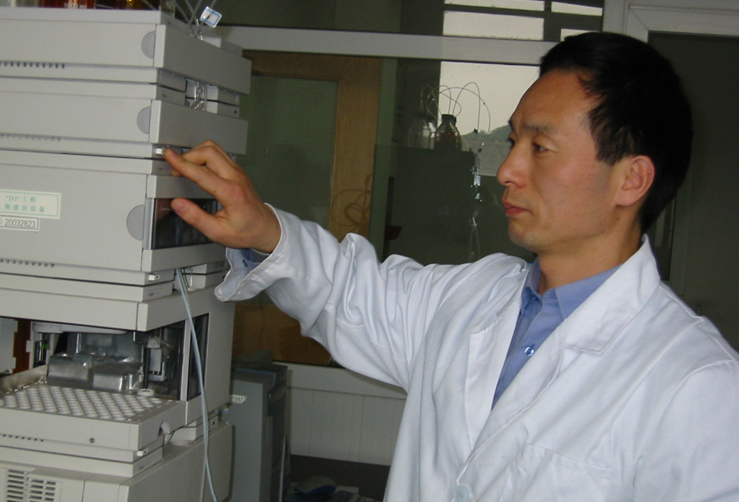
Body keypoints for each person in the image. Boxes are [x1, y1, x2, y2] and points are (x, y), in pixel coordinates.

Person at [164, 32, 739, 502]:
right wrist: (262, 229)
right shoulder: (474, 297)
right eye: (513, 141)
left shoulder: (697, 384)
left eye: (539, 148)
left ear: (631, 179)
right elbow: (346, 291)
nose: (507, 170)